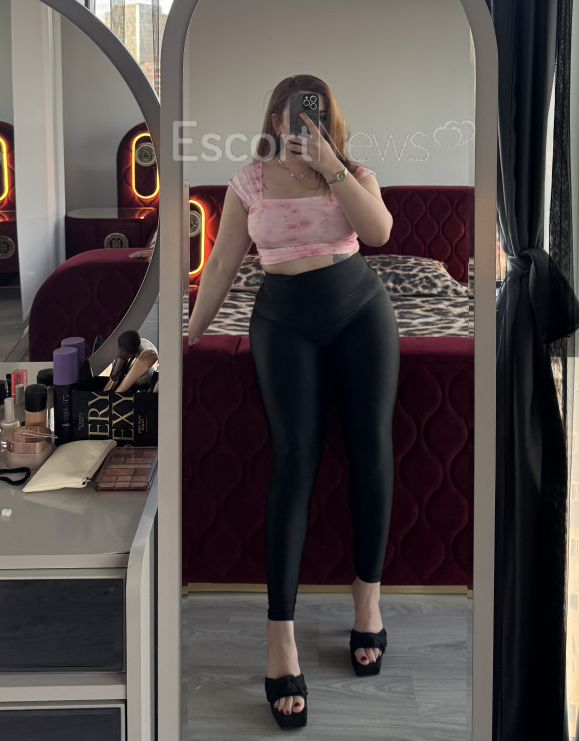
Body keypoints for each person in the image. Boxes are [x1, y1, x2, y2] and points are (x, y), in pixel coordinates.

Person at [187, 74, 400, 730]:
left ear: (329, 119)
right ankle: (280, 633)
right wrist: (190, 337)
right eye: (292, 111)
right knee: (294, 459)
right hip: (283, 320)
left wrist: (332, 166)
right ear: (274, 117)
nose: (303, 121)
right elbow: (222, 264)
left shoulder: (353, 173)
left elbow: (380, 232)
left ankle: (368, 601)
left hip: (360, 310)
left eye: (316, 112)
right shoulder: (248, 181)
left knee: (370, 449)